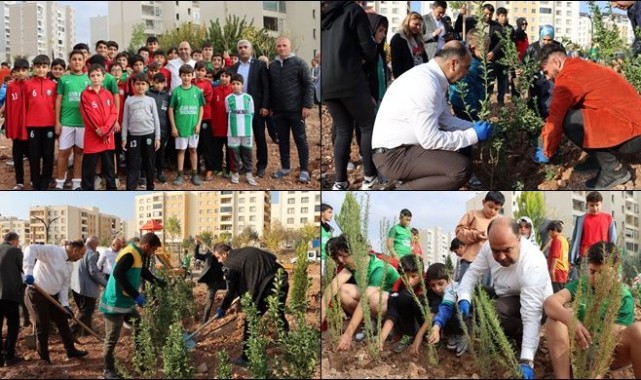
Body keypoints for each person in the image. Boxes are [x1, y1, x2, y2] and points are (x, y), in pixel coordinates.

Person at [371, 41, 494, 190]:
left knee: (453, 152)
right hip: (393, 156)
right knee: (460, 169)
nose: (467, 72)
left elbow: (444, 120)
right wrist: (472, 135)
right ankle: (398, 190)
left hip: (402, 149)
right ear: (453, 64)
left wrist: (472, 127)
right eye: (466, 67)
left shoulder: (432, 77)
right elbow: (430, 140)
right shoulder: (426, 85)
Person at [533, 43, 641, 189]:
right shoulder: (580, 65)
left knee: (569, 121)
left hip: (633, 134)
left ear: (556, 63)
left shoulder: (567, 78)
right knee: (577, 113)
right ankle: (598, 160)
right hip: (633, 124)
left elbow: (555, 120)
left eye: (545, 71)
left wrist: (547, 150)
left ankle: (614, 170)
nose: (546, 77)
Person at [457, 217, 553, 380]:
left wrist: (527, 361)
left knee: (498, 311)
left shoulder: (532, 262)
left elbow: (531, 315)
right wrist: (464, 298)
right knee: (478, 298)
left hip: (539, 306)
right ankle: (504, 337)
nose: (501, 256)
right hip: (508, 297)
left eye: (507, 250)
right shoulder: (489, 247)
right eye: (496, 251)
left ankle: (522, 340)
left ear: (519, 239)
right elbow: (472, 274)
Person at [544, 242, 641, 378]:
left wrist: (596, 374)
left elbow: (610, 342)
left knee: (638, 330)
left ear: (615, 271)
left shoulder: (623, 297)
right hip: (581, 348)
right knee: (554, 321)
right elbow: (550, 302)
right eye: (592, 272)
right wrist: (572, 321)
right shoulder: (582, 284)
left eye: (602, 273)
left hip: (611, 355)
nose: (596, 278)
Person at [322, 1, 380, 190]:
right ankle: (370, 177)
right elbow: (369, 49)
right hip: (350, 79)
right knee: (367, 126)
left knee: (342, 130)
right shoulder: (354, 11)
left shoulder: (322, 14)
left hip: (327, 82)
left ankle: (340, 182)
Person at [211, 243, 290, 367]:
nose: (219, 261)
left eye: (218, 257)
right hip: (281, 279)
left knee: (251, 320)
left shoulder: (229, 264)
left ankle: (246, 358)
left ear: (225, 253)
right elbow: (272, 256)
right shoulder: (246, 250)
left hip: (266, 285)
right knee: (278, 313)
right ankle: (289, 345)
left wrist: (223, 308)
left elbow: (230, 291)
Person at [100, 233, 165, 380]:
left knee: (140, 327)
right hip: (114, 302)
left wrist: (155, 281)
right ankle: (108, 370)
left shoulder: (139, 254)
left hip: (126, 302)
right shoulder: (130, 253)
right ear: (147, 245)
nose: (153, 253)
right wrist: (136, 295)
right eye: (153, 249)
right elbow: (117, 273)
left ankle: (141, 362)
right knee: (112, 338)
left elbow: (142, 270)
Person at [321, 235, 400, 351]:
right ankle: (369, 324)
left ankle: (386, 328)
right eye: (339, 256)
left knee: (373, 298)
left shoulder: (378, 268)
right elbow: (331, 288)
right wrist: (321, 319)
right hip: (372, 301)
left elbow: (365, 301)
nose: (341, 260)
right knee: (342, 291)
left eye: (344, 256)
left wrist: (348, 334)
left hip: (393, 305)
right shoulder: (352, 265)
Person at [22, 240, 89, 364]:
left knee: (63, 321)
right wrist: (28, 272)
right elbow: (30, 249)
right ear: (75, 250)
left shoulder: (70, 265)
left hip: (52, 297)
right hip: (36, 293)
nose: (82, 257)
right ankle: (44, 359)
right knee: (43, 325)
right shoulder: (53, 251)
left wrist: (65, 306)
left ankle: (71, 350)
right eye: (81, 254)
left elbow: (64, 287)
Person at [268, 36, 313, 184]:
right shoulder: (273, 65)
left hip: (296, 111)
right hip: (279, 111)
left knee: (300, 139)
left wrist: (307, 105)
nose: (281, 48)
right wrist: (270, 106)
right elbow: (270, 88)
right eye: (279, 46)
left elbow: (308, 85)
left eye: (284, 45)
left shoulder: (299, 63)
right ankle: (285, 167)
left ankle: (304, 170)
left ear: (290, 46)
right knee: (283, 140)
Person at [229, 40, 270, 178]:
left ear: (251, 49)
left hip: (256, 108)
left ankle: (261, 166)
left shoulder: (260, 65)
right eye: (240, 48)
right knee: (241, 137)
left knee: (259, 137)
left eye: (245, 47)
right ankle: (244, 165)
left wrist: (265, 105)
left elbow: (266, 87)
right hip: (238, 110)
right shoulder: (234, 68)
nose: (242, 50)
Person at [411, 262, 467, 357]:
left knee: (454, 310)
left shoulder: (453, 288)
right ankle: (450, 334)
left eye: (440, 284)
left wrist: (420, 335)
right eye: (433, 285)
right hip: (445, 319)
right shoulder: (434, 293)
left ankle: (462, 334)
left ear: (448, 280)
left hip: (463, 318)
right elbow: (434, 310)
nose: (437, 288)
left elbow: (442, 310)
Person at [55, 50, 91, 190]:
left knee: (79, 152)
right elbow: (58, 101)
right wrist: (57, 121)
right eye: (74, 59)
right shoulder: (63, 80)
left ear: (83, 62)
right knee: (63, 152)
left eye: (79, 59)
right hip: (66, 122)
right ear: (70, 62)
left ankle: (76, 183)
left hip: (83, 123)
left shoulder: (89, 80)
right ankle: (59, 183)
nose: (77, 62)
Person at [79, 64, 118, 190]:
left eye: (98, 75)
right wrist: (98, 130)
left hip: (107, 137)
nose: (95, 78)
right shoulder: (85, 94)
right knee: (88, 168)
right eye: (92, 76)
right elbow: (87, 114)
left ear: (103, 76)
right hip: (93, 136)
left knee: (109, 167)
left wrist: (106, 130)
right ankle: (87, 190)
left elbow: (113, 113)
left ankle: (112, 189)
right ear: (89, 77)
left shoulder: (108, 94)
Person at [378, 255, 427, 353]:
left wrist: (420, 336)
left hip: (427, 321)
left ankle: (428, 335)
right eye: (405, 277)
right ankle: (408, 335)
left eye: (414, 276)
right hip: (409, 322)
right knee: (403, 297)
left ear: (421, 274)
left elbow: (434, 310)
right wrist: (381, 338)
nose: (409, 281)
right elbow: (393, 312)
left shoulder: (430, 284)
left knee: (418, 301)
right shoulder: (397, 286)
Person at [121, 72, 161, 190]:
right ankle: (130, 188)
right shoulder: (129, 101)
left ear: (148, 85)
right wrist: (124, 138)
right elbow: (125, 120)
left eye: (143, 84)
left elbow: (156, 119)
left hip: (149, 135)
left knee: (149, 163)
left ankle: (150, 186)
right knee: (133, 164)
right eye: (138, 84)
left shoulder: (151, 100)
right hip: (134, 136)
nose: (140, 86)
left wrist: (157, 137)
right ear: (133, 85)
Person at [24, 55, 57, 190]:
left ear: (48, 68)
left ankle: (46, 180)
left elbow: (57, 105)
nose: (41, 69)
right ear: (34, 68)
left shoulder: (54, 85)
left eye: (44, 67)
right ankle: (35, 180)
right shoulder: (28, 84)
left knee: (48, 154)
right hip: (32, 126)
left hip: (49, 126)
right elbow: (24, 106)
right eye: (38, 67)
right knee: (34, 155)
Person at [455, 191, 504, 281]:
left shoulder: (500, 220)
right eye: (490, 206)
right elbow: (459, 232)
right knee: (465, 290)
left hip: (490, 263)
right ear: (483, 202)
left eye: (496, 209)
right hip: (470, 260)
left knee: (485, 293)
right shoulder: (472, 214)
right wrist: (476, 235)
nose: (492, 211)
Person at [169, 64, 205, 186]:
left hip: (194, 127)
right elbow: (170, 109)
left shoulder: (197, 91)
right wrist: (174, 127)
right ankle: (180, 175)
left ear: (192, 76)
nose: (186, 77)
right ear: (180, 76)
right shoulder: (176, 92)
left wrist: (199, 124)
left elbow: (201, 108)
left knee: (193, 150)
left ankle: (195, 174)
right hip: (180, 127)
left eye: (189, 75)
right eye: (184, 75)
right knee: (181, 151)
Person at [522, 25, 564, 121]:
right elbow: (524, 65)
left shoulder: (559, 47)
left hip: (551, 80)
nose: (546, 42)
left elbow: (564, 64)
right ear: (540, 37)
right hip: (535, 80)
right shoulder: (532, 48)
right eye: (544, 39)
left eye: (549, 40)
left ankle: (547, 123)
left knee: (549, 103)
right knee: (534, 103)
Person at [69, 236, 106, 338]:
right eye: (96, 245)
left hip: (75, 286)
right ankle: (71, 332)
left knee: (84, 311)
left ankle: (86, 331)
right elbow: (93, 272)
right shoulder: (91, 253)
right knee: (86, 311)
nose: (96, 248)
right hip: (86, 288)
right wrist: (105, 283)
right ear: (93, 244)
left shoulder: (79, 251)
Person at [1, 60, 29, 190]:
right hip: (17, 129)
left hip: (29, 128)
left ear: (28, 71)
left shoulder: (30, 85)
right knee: (17, 156)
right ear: (14, 72)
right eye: (18, 70)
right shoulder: (11, 87)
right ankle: (19, 182)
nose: (21, 73)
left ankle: (35, 179)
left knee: (33, 156)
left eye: (24, 70)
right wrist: (9, 127)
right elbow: (9, 109)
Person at [569, 191, 617, 266]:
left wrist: (612, 257)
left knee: (601, 277)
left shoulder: (609, 219)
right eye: (592, 205)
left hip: (602, 256)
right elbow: (576, 239)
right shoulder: (581, 219)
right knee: (585, 277)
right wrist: (573, 258)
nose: (595, 208)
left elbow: (613, 240)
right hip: (585, 256)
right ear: (587, 205)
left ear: (601, 204)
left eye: (597, 205)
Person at [225, 73, 257, 186]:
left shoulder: (248, 98)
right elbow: (228, 112)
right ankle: (235, 172)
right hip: (233, 130)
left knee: (247, 153)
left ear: (242, 85)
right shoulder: (228, 98)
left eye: (238, 84)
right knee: (234, 153)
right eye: (233, 84)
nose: (235, 86)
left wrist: (246, 123)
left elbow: (252, 113)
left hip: (246, 130)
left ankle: (249, 173)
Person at [0, 232, 24, 366]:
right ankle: (9, 356)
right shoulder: (15, 251)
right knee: (13, 325)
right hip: (9, 294)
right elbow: (24, 269)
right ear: (14, 240)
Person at [193, 237, 226, 324]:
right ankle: (204, 322)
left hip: (220, 282)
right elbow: (196, 256)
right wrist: (197, 245)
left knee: (234, 287)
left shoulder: (223, 257)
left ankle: (236, 307)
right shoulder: (208, 255)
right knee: (209, 304)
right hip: (211, 284)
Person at [146, 73, 171, 183]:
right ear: (152, 82)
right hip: (149, 129)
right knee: (149, 152)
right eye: (157, 83)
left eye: (161, 83)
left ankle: (160, 171)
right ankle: (148, 172)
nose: (159, 85)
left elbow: (170, 113)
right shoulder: (147, 94)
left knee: (161, 152)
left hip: (163, 129)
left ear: (165, 84)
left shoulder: (167, 96)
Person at [193, 60, 215, 181]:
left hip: (205, 117)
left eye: (203, 71)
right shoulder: (190, 82)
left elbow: (207, 99)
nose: (200, 73)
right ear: (194, 71)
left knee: (206, 144)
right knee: (194, 145)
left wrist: (194, 98)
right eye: (198, 70)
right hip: (192, 117)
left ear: (205, 72)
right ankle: (194, 168)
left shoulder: (207, 84)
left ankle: (209, 169)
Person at [390, 11, 428, 80]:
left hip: (420, 76)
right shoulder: (398, 38)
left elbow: (424, 58)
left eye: (420, 25)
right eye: (415, 24)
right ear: (407, 22)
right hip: (406, 78)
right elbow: (396, 64)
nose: (418, 27)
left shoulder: (418, 38)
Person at [211, 68, 232, 177]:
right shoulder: (215, 91)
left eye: (226, 76)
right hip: (217, 126)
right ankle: (218, 168)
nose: (224, 78)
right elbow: (212, 107)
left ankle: (229, 169)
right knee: (217, 150)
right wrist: (213, 124)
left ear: (230, 78)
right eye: (222, 76)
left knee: (229, 149)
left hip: (230, 127)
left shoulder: (233, 91)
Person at [366, 13, 390, 111]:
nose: (383, 35)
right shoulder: (366, 53)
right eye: (380, 31)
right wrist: (368, 95)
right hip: (371, 101)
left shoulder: (380, 53)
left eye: (385, 31)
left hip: (381, 99)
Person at [546, 220, 569, 293]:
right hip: (563, 270)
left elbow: (555, 256)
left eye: (550, 232)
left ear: (555, 230)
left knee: (555, 294)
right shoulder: (564, 240)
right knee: (560, 292)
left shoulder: (556, 240)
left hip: (557, 270)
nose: (549, 234)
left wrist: (552, 270)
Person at [320, 203, 334, 276]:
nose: (331, 215)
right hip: (321, 260)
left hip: (328, 260)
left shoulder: (329, 229)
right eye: (329, 212)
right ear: (322, 213)